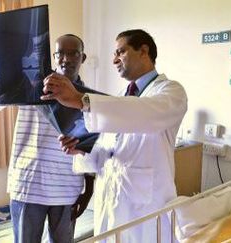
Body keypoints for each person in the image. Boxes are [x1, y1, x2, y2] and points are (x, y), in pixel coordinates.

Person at [41, 29, 188, 242]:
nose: (114, 60)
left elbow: (144, 113)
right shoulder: (119, 98)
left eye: (120, 52)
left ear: (144, 51)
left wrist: (81, 100)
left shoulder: (171, 92)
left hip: (145, 208)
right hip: (110, 204)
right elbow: (106, 152)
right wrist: (80, 151)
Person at [6, 34, 94, 243]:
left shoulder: (91, 100)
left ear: (83, 58)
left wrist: (88, 189)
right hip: (28, 186)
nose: (66, 58)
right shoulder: (31, 85)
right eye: (60, 53)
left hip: (67, 190)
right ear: (53, 57)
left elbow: (93, 145)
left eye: (73, 53)